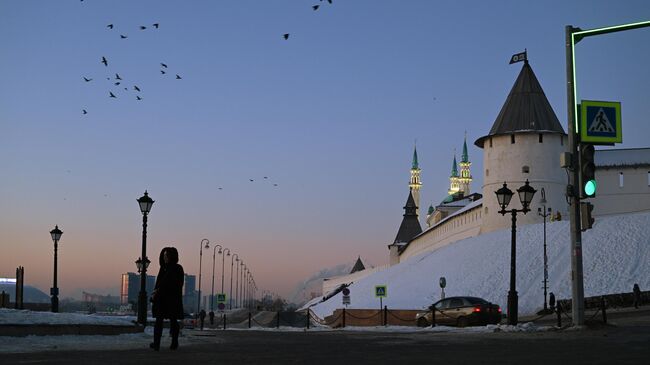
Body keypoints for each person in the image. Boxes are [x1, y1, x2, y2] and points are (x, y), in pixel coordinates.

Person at [150, 247, 185, 351]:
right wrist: (156, 292)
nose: (164, 257)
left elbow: (175, 284)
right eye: (164, 255)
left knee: (173, 321)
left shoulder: (177, 268)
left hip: (171, 300)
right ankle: (157, 343)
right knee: (159, 321)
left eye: (166, 255)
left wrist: (159, 291)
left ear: (172, 256)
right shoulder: (163, 268)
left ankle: (174, 342)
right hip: (162, 300)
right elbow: (159, 283)